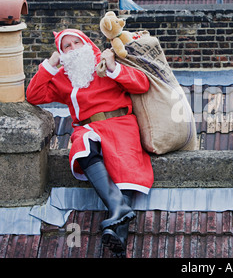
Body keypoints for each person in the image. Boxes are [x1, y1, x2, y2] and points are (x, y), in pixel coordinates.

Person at [26, 28, 154, 257]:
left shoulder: (105, 61)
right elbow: (34, 96)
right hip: (87, 127)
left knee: (125, 173)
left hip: (120, 124)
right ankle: (118, 210)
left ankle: (117, 233)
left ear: (86, 43)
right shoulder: (62, 76)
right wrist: (50, 64)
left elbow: (142, 84)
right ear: (61, 52)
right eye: (67, 46)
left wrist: (114, 68)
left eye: (77, 42)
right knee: (81, 146)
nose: (74, 48)